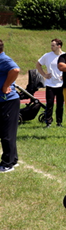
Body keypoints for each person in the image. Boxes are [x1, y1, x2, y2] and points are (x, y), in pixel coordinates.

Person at [0, 40, 20, 173]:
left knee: (7, 133)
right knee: (6, 132)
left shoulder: (3, 59)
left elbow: (15, 69)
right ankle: (13, 159)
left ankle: (7, 163)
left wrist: (6, 85)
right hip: (3, 101)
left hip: (8, 101)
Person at [36, 38, 64, 128]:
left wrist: (65, 75)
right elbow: (38, 64)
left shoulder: (65, 56)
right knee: (49, 104)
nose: (51, 47)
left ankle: (59, 122)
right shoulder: (47, 55)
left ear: (59, 46)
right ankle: (48, 122)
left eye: (53, 45)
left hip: (61, 84)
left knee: (60, 105)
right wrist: (44, 74)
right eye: (51, 45)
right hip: (50, 84)